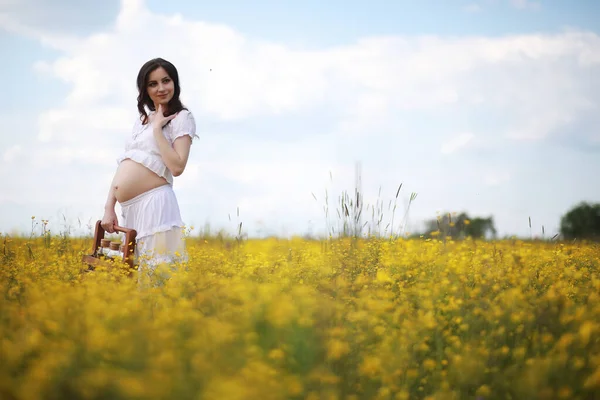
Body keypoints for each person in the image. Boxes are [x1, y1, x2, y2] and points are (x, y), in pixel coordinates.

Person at [101, 57, 198, 284]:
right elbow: (125, 163)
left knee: (158, 275)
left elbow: (177, 166)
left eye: (166, 81)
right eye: (153, 83)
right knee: (135, 278)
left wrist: (157, 130)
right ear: (145, 89)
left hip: (156, 205)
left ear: (175, 83)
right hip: (130, 209)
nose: (161, 88)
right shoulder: (142, 120)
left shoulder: (182, 117)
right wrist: (109, 206)